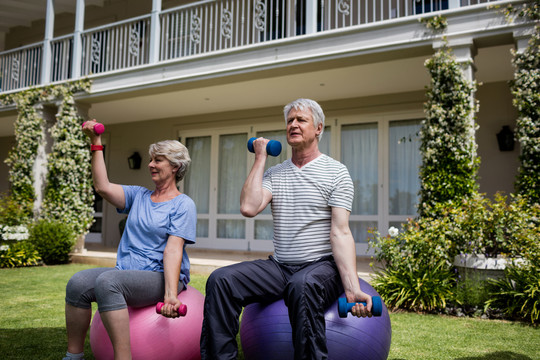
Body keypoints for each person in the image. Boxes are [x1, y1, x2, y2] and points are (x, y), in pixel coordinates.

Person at [200, 98, 373, 360]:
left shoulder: (336, 172)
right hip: (281, 267)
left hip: (322, 266)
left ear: (318, 128)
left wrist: (351, 286)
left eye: (301, 120)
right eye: (290, 120)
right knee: (221, 280)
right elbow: (249, 207)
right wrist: (260, 158)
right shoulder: (275, 173)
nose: (293, 124)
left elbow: (341, 232)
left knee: (301, 285)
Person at [63, 120, 197, 360]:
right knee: (78, 282)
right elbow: (102, 187)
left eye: (158, 160)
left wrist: (170, 295)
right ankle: (74, 356)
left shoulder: (183, 204)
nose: (151, 165)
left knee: (108, 282)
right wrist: (96, 143)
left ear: (175, 166)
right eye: (151, 159)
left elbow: (173, 251)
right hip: (128, 273)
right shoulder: (139, 196)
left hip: (159, 277)